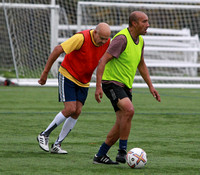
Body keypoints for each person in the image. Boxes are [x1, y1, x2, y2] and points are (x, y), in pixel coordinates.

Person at [93, 11, 161, 164]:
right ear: (134, 23)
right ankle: (122, 151)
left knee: (121, 123)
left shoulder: (141, 41)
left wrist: (151, 86)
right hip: (111, 82)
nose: (148, 25)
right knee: (129, 110)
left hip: (125, 86)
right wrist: (98, 86)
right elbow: (102, 61)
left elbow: (141, 64)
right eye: (144, 21)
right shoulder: (122, 39)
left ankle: (100, 155)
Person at [37, 23, 111, 154]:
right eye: (102, 38)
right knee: (70, 109)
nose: (104, 42)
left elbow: (101, 64)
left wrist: (99, 86)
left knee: (77, 112)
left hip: (84, 81)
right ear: (95, 33)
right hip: (68, 74)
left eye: (107, 39)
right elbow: (57, 49)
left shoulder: (107, 42)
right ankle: (44, 134)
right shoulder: (81, 38)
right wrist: (45, 72)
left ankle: (57, 144)